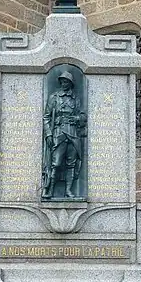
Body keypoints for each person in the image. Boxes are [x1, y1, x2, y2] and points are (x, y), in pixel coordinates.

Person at [42, 70, 85, 198]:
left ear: (70, 83)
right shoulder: (54, 98)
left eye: (66, 81)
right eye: (62, 81)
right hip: (59, 133)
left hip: (73, 133)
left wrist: (77, 119)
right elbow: (46, 117)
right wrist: (49, 134)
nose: (64, 83)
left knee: (71, 163)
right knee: (56, 163)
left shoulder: (75, 99)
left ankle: (68, 191)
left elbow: (83, 115)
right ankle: (50, 190)